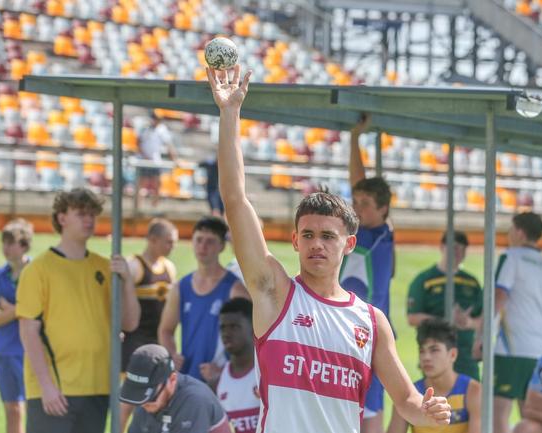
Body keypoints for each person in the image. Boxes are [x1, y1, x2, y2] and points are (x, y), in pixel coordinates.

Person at [205, 64, 451, 433]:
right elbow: (236, 200)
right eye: (307, 235)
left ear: (349, 244)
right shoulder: (275, 293)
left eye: (328, 236)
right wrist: (230, 113)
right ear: (295, 240)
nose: (316, 244)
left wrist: (428, 411)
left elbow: (407, 402)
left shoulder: (371, 321)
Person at [16, 188, 141, 433]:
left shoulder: (105, 267)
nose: (89, 220)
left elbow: (130, 322)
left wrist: (127, 282)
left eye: (93, 214)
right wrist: (46, 386)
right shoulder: (38, 270)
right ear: (62, 218)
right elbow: (29, 332)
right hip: (57, 391)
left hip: (99, 386)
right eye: (81, 214)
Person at [340, 114, 395, 433]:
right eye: (355, 202)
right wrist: (354, 139)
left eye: (365, 204)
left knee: (370, 412)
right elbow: (358, 184)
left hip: (371, 337)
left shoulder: (382, 235)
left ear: (384, 210)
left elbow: (358, 184)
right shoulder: (358, 229)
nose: (357, 207)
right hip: (343, 329)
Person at [487, 212, 542, 433]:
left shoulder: (510, 257)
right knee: (533, 417)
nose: (508, 234)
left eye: (510, 230)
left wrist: (481, 336)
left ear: (520, 232)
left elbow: (499, 299)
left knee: (498, 412)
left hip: (511, 350)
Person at [158, 216, 248, 382]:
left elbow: (252, 339)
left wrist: (225, 370)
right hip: (188, 379)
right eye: (198, 240)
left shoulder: (234, 289)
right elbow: (166, 330)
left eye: (210, 241)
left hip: (222, 383)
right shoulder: (181, 287)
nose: (202, 246)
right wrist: (172, 354)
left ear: (221, 246)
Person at [120, 218, 178, 432]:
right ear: (152, 240)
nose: (172, 246)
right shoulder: (134, 266)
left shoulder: (169, 268)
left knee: (155, 400)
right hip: (134, 343)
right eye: (168, 241)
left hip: (157, 345)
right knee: (127, 402)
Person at [407, 231, 483, 380]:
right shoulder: (425, 280)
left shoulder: (472, 282)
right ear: (442, 247)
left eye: (462, 249)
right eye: (454, 247)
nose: (458, 253)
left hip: (466, 356)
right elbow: (413, 318)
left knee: (471, 398)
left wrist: (469, 323)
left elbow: (483, 320)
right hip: (436, 354)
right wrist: (445, 320)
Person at [386, 318, 481, 433]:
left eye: (434, 350)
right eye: (422, 351)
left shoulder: (473, 391)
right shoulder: (408, 394)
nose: (426, 357)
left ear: (453, 355)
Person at [120, 344, 232, 433]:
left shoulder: (195, 400)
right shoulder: (145, 403)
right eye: (139, 397)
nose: (145, 404)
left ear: (172, 379)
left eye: (151, 396)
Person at [0, 218, 34, 433]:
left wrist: (8, 308)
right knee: (12, 410)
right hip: (5, 351)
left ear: (24, 245)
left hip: (32, 352)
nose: (5, 248)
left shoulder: (37, 273)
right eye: (3, 243)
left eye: (10, 243)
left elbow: (42, 313)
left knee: (37, 410)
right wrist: (20, 310)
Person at [214, 298, 260, 433]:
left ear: (254, 328)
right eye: (223, 327)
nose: (226, 334)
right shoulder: (217, 382)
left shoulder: (269, 373)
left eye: (234, 327)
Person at [136, 112, 179, 207]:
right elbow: (138, 143)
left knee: (156, 184)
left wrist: (174, 159)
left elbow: (169, 146)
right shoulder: (144, 129)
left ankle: (154, 206)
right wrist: (144, 155)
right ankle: (139, 206)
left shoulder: (162, 129)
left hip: (155, 161)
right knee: (141, 184)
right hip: (144, 160)